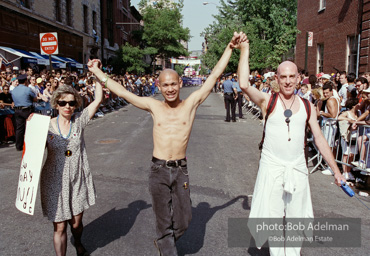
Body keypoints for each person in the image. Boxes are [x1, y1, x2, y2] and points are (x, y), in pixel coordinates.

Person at [88, 32, 247, 256]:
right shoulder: (154, 106)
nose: (170, 88)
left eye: (173, 84)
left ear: (180, 83)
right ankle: (166, 246)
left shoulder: (190, 104)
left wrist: (230, 48)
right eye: (165, 85)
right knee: (163, 221)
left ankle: (165, 242)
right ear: (159, 87)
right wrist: (97, 73)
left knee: (185, 220)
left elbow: (213, 76)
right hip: (158, 170)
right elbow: (122, 92)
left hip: (181, 170)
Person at [237, 36, 346, 256]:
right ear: (277, 78)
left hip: (297, 169)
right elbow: (244, 84)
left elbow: (319, 139)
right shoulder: (268, 101)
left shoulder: (307, 105)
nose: (287, 81)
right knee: (274, 218)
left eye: (291, 77)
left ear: (298, 78)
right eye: (283, 77)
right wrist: (245, 48)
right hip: (272, 167)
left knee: (297, 219)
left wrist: (337, 171)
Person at [39, 80, 103, 256]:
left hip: (76, 178)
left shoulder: (79, 121)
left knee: (75, 224)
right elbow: (31, 153)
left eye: (71, 102)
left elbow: (97, 100)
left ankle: (78, 240)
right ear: (56, 104)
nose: (67, 106)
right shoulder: (45, 126)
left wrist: (97, 75)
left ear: (76, 104)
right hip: (54, 182)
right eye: (63, 102)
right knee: (59, 227)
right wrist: (32, 125)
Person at [10, 74, 36, 151]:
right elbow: (35, 99)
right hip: (27, 109)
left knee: (19, 129)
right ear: (25, 81)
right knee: (31, 127)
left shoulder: (13, 90)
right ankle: (31, 144)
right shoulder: (27, 89)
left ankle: (18, 146)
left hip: (17, 110)